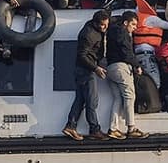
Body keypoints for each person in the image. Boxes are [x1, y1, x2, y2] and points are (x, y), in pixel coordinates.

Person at [63, 10, 111, 141]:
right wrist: (95, 68)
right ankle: (94, 129)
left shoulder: (93, 29)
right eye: (102, 25)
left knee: (80, 99)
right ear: (96, 23)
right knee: (92, 100)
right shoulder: (89, 34)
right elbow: (82, 55)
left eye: (107, 25)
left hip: (82, 69)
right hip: (86, 70)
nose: (105, 28)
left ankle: (70, 126)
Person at [105, 11, 150, 139]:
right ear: (126, 23)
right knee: (130, 96)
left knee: (117, 99)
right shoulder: (123, 33)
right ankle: (131, 128)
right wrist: (137, 65)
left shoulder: (112, 32)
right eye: (133, 24)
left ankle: (113, 129)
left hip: (110, 67)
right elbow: (127, 52)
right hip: (121, 67)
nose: (135, 27)